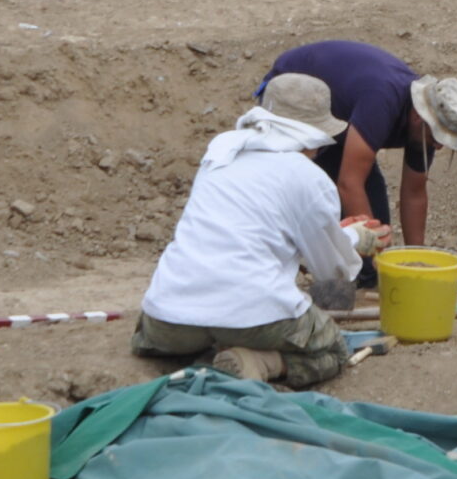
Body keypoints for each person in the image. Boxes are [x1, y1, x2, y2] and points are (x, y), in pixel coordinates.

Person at [132, 75, 388, 387]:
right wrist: (353, 240)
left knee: (187, 328)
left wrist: (336, 238)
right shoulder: (308, 177)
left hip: (169, 316)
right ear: (313, 137)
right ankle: (257, 362)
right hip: (254, 312)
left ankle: (206, 352)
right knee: (333, 350)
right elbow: (331, 270)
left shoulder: (220, 151)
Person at [260, 41, 457, 252]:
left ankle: (362, 274)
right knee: (318, 194)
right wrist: (379, 258)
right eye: (437, 135)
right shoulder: (381, 102)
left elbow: (414, 193)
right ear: (418, 117)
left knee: (374, 218)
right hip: (293, 95)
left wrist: (418, 259)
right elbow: (349, 183)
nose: (439, 146)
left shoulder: (427, 124)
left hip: (340, 114)